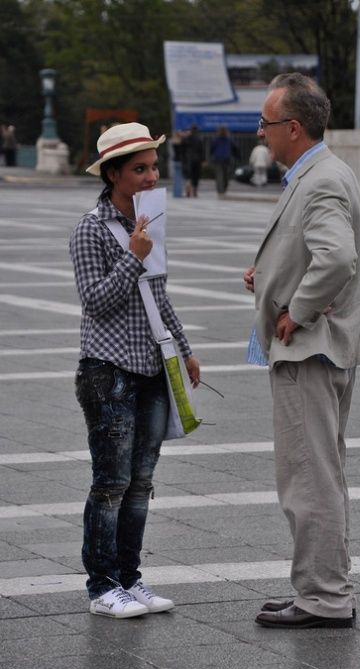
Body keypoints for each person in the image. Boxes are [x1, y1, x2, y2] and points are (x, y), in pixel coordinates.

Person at [243, 73, 360, 630]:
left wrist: (295, 311)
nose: (261, 132)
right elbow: (316, 254)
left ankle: (323, 597)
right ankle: (321, 589)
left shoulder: (319, 179)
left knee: (309, 476)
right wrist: (270, 277)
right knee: (319, 471)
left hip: (311, 350)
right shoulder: (325, 170)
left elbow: (335, 258)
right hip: (326, 347)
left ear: (293, 128)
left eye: (266, 123)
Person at [70, 122, 200, 619]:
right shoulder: (89, 228)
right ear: (114, 174)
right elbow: (95, 302)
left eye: (153, 166)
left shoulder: (150, 220)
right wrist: (132, 258)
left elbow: (157, 294)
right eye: (140, 169)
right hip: (107, 372)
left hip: (151, 369)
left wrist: (184, 348)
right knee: (111, 483)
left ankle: (130, 578)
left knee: (142, 483)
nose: (151, 176)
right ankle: (101, 586)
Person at [210, 126, 239, 196]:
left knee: (219, 175)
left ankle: (220, 190)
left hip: (218, 159)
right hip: (226, 159)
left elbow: (212, 149)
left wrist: (212, 155)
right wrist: (236, 156)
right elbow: (235, 148)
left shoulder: (216, 140)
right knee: (226, 175)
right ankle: (223, 189)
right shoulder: (229, 140)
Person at [182, 124, 204, 197]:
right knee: (196, 176)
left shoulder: (187, 138)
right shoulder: (199, 139)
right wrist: (203, 160)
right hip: (197, 160)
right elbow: (202, 150)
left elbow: (182, 146)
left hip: (188, 159)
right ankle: (195, 191)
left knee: (188, 176)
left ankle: (188, 190)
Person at [170, 130, 186, 198]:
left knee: (176, 178)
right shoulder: (182, 142)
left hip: (175, 160)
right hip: (180, 160)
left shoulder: (174, 142)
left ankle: (175, 193)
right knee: (179, 178)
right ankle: (179, 193)